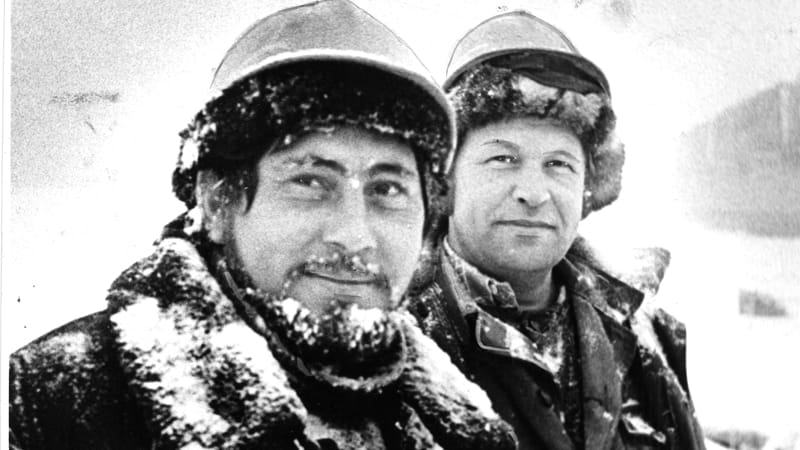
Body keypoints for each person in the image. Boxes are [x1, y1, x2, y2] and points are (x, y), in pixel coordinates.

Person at [8, 1, 516, 449]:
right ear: (217, 201)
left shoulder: (460, 427)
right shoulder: (45, 405)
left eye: (387, 190)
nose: (355, 236)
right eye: (310, 182)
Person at [409, 10, 706, 450]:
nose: (534, 193)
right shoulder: (395, 342)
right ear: (446, 180)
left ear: (587, 187)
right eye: (503, 159)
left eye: (558, 164)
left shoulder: (646, 335)